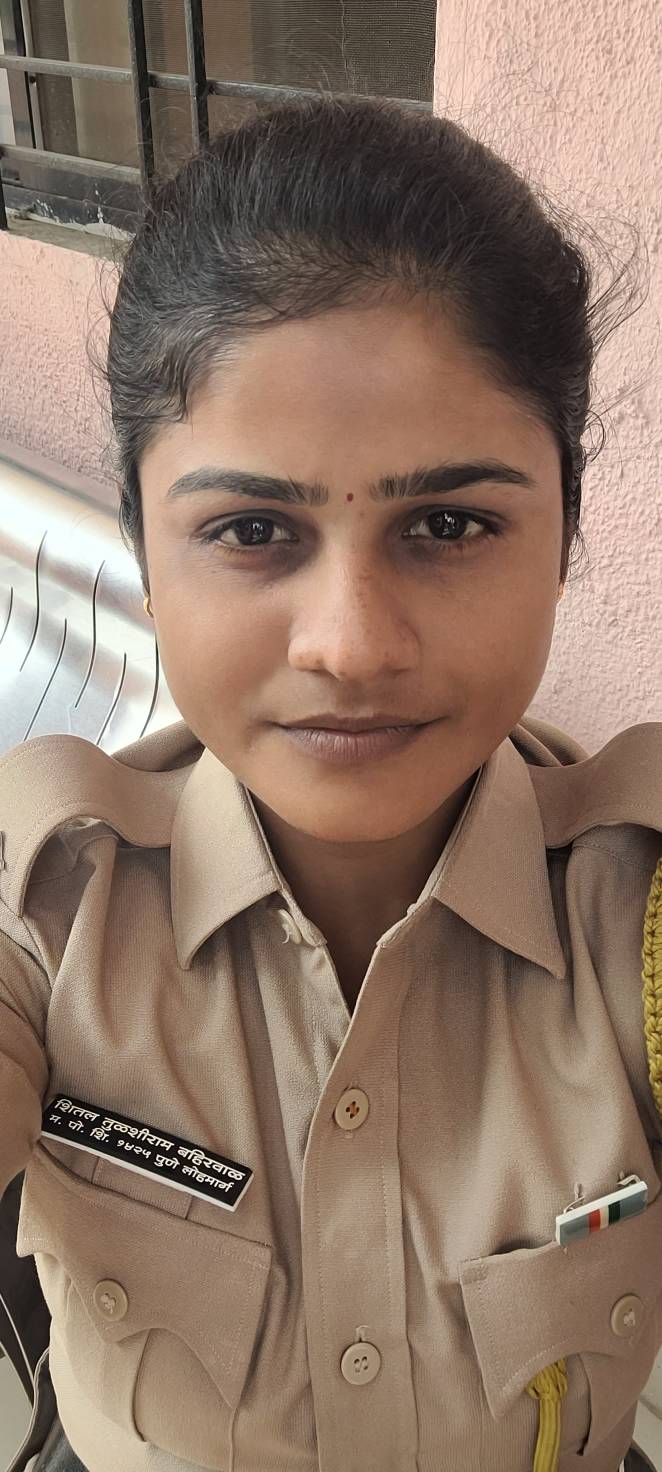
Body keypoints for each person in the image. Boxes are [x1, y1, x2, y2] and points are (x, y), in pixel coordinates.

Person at [0, 91, 660, 1472]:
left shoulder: (636, 915)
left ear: (562, 541)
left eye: (447, 523)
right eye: (252, 530)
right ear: (145, 551)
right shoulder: (42, 900)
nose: (351, 646)